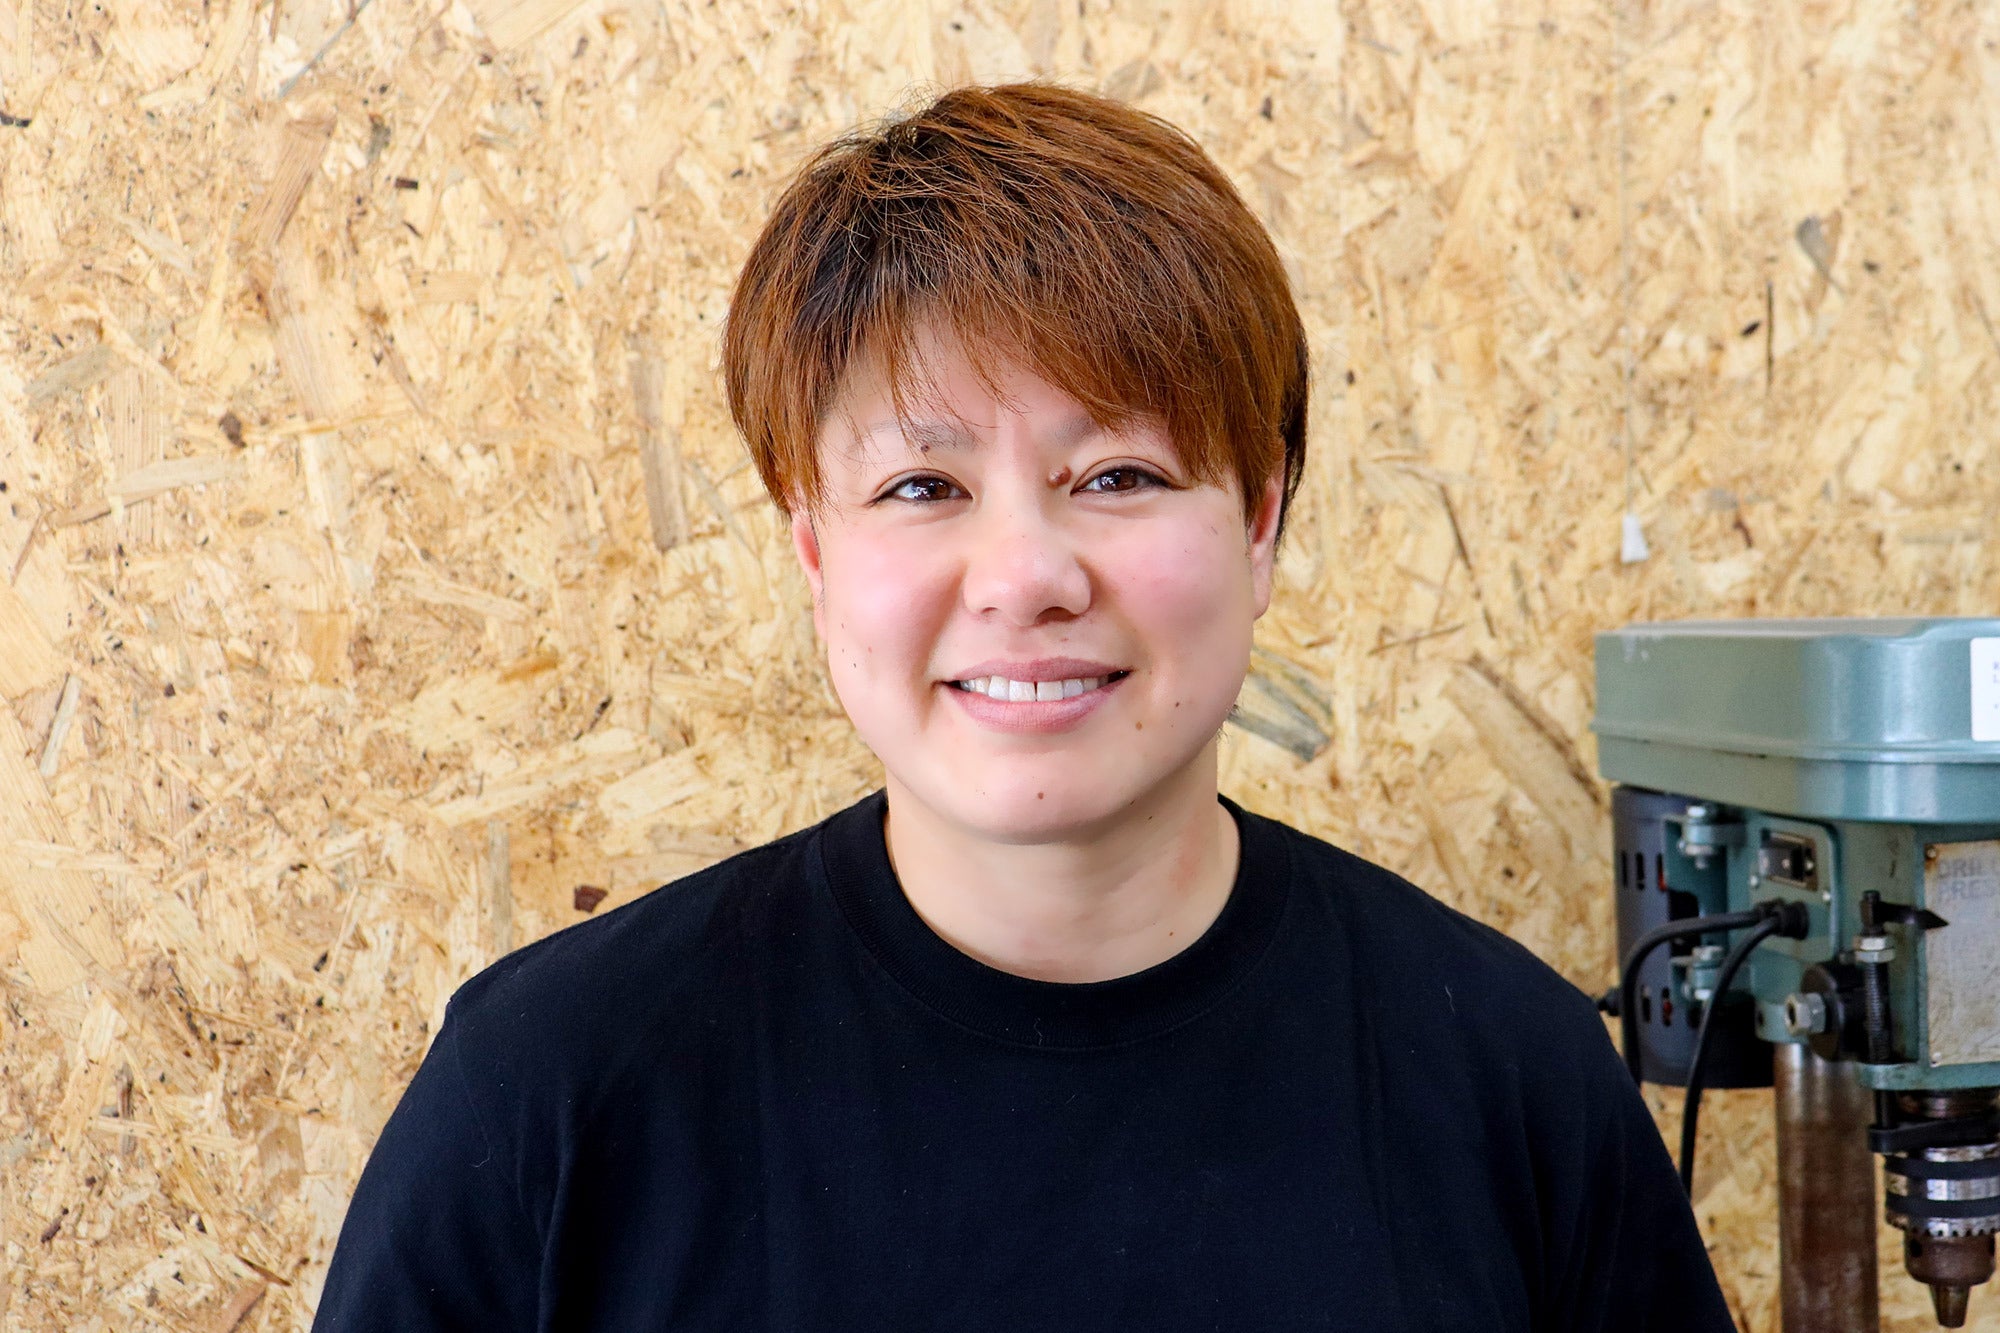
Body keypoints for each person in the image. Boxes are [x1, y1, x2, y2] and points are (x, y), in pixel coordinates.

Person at [312, 83, 1735, 1331]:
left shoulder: (1513, 1079)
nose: (1025, 577)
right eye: (920, 485)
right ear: (814, 551)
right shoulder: (549, 1096)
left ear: (1258, 522)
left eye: (1117, 475)